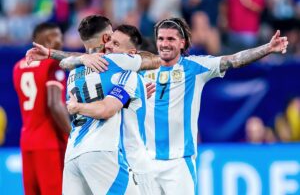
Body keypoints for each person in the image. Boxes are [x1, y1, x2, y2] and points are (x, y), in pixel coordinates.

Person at [140, 17, 288, 195]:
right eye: (161, 38)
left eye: (170, 39)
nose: (164, 44)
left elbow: (234, 60)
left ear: (182, 43)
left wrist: (268, 48)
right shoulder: (143, 68)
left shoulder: (195, 67)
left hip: (178, 163)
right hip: (146, 161)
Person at [25, 15, 161, 195]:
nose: (112, 43)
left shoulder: (73, 71)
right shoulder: (117, 62)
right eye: (111, 37)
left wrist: (55, 54)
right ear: (105, 38)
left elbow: (73, 66)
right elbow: (155, 60)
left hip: (73, 155)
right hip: (101, 150)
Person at [66, 24, 156, 195]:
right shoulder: (110, 75)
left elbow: (108, 107)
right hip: (113, 157)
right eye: (109, 41)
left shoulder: (129, 77)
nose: (108, 46)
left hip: (132, 165)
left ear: (131, 55)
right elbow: (108, 105)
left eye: (116, 44)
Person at [13, 22, 71, 195]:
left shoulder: (17, 67)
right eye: (58, 36)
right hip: (50, 143)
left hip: (27, 141)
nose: (61, 41)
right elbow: (54, 104)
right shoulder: (52, 65)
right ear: (48, 39)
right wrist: (72, 135)